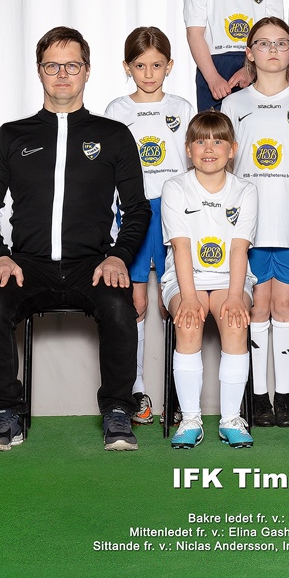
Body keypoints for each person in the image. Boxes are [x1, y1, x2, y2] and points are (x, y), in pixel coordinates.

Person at [0, 26, 150, 452]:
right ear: (39, 72)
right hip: (28, 265)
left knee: (119, 307)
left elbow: (137, 209)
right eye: (53, 66)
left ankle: (117, 410)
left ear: (87, 71)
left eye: (72, 65)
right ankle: (6, 413)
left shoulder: (113, 135)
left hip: (92, 264)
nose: (63, 74)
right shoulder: (12, 135)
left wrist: (118, 256)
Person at [222, 18, 289, 428]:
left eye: (282, 43)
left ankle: (284, 397)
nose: (273, 51)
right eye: (263, 44)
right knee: (257, 307)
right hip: (247, 230)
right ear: (249, 52)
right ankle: (259, 397)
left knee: (285, 307)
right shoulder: (234, 106)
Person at [103, 27, 195, 425]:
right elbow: (106, 170)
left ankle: (178, 395)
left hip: (175, 211)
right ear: (127, 67)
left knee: (173, 302)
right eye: (140, 66)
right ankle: (137, 390)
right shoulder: (116, 111)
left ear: (169, 66)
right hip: (134, 211)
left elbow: (196, 164)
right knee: (136, 302)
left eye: (156, 65)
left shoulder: (182, 108)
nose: (149, 73)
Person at [159, 111, 257, 449]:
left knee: (234, 321)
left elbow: (239, 248)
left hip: (232, 278)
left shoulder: (245, 190)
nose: (209, 148)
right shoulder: (174, 187)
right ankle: (190, 420)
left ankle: (231, 420)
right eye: (200, 141)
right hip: (186, 278)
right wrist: (187, 298)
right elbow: (181, 247)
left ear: (232, 150)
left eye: (218, 141)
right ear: (188, 149)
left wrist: (235, 296)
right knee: (188, 323)